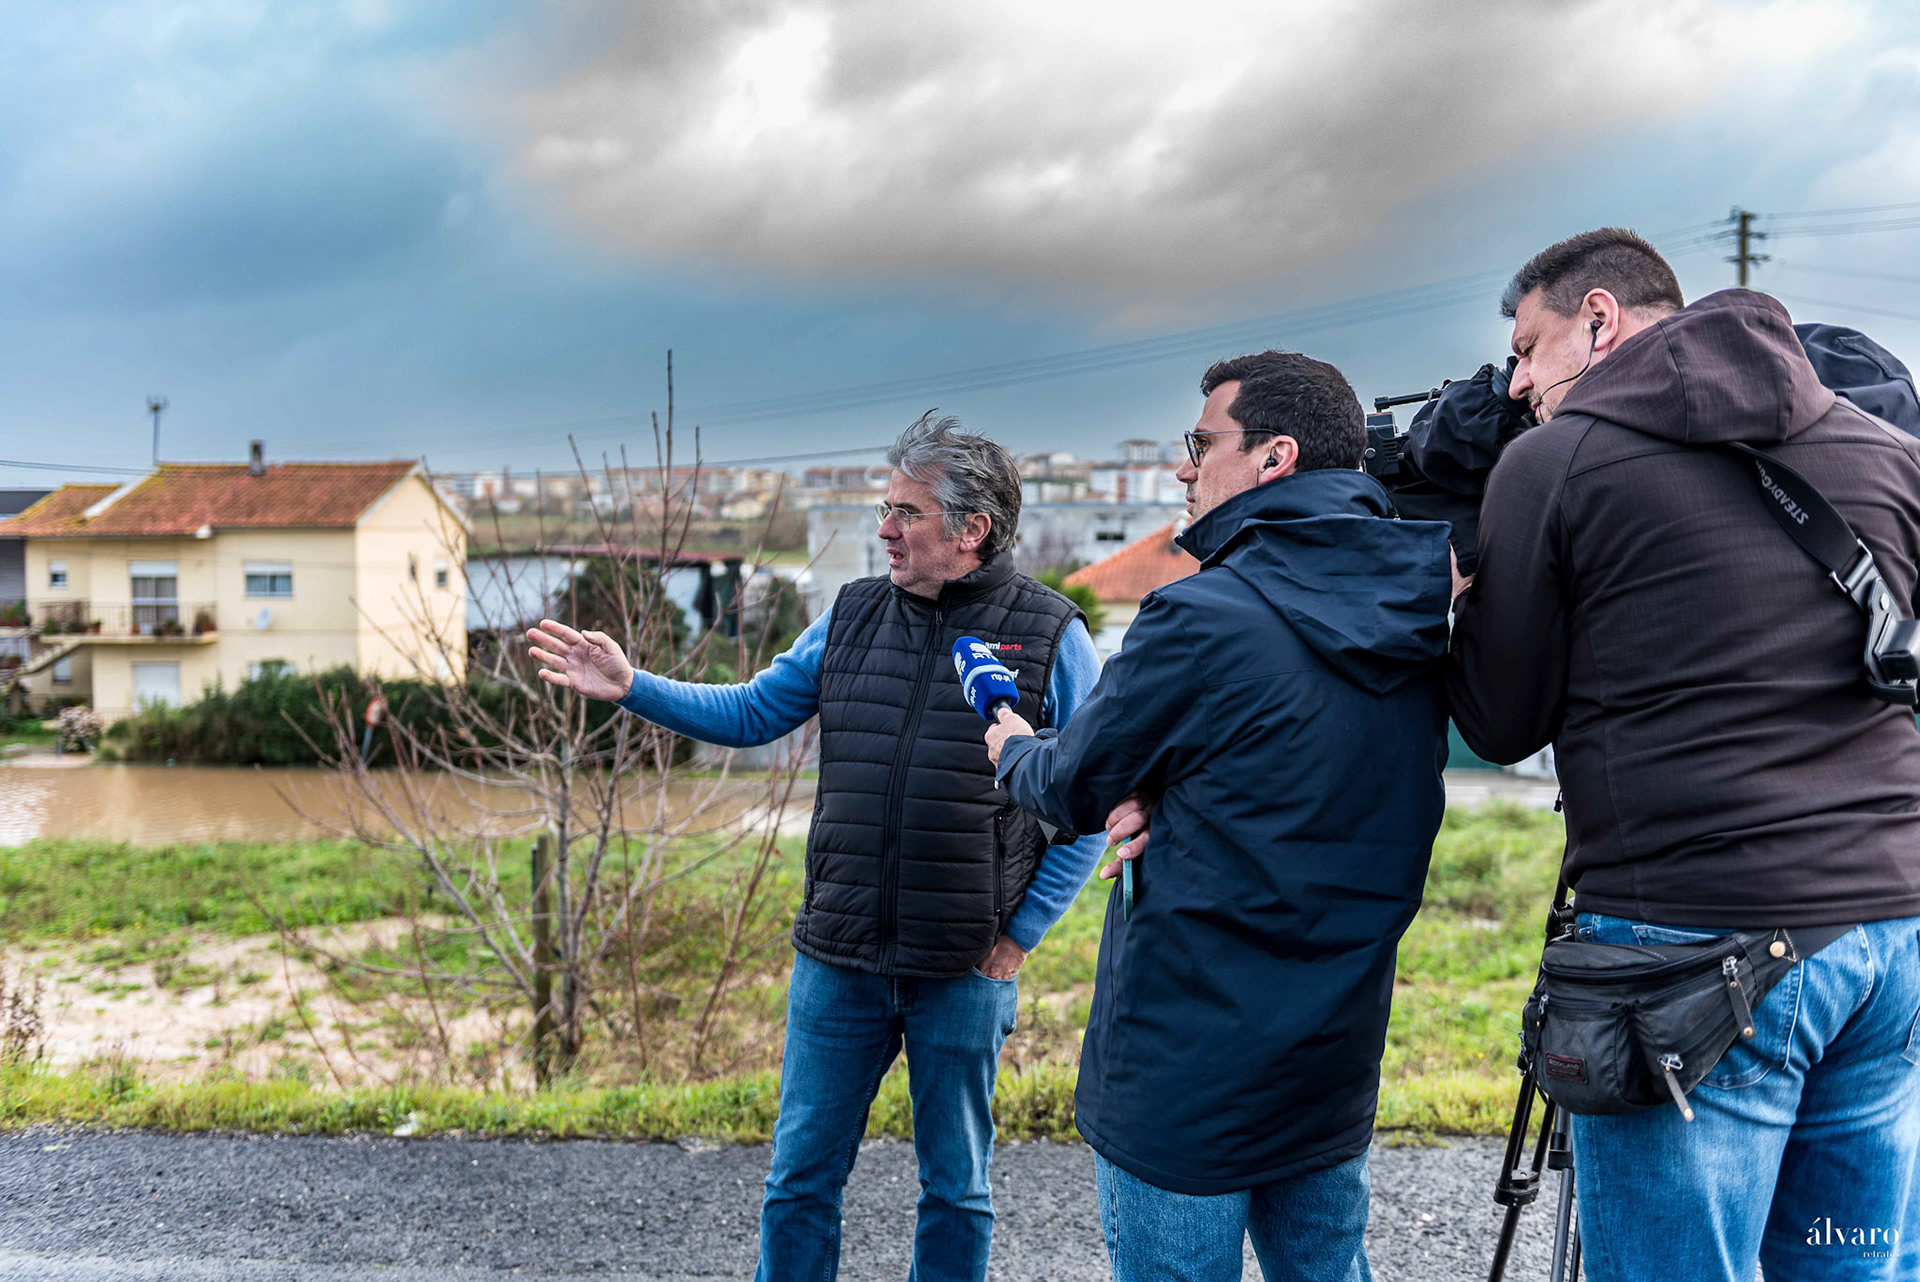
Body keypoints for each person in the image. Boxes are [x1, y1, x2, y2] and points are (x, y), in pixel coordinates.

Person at [526, 413, 1104, 1282]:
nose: (884, 529)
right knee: (798, 1182)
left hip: (964, 966)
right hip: (839, 958)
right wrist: (633, 686)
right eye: (885, 507)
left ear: (971, 529)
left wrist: (1018, 938)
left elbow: (1088, 804)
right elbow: (756, 712)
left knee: (956, 1190)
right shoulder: (853, 612)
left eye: (906, 513)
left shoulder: (1054, 635)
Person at [1448, 227, 1920, 1282]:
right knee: (1848, 1267)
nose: (1518, 383)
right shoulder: (1888, 451)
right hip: (1884, 938)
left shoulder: (1554, 464)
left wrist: (1461, 603)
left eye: (1529, 348)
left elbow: (1500, 722)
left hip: (1689, 959)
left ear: (1600, 320)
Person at [983, 351, 1453, 1282]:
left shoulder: (1201, 615)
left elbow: (1075, 784)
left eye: (1202, 444)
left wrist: (1014, 750)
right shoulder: (1413, 607)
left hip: (1186, 1067)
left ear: (1275, 457)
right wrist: (1172, 785)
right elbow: (1296, 770)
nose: (1183, 468)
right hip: (1333, 1050)